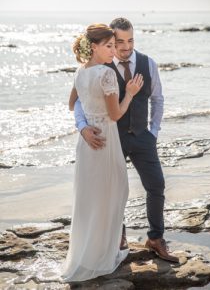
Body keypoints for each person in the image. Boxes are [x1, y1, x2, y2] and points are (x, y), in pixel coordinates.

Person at [74, 18, 179, 263]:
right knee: (113, 191)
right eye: (119, 42)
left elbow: (158, 99)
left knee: (157, 185)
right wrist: (82, 127)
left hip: (143, 137)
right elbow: (80, 100)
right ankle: (117, 238)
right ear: (110, 41)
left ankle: (155, 238)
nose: (125, 47)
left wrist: (153, 131)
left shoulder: (148, 64)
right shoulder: (102, 65)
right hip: (112, 139)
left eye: (130, 40)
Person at [61, 23, 144, 282]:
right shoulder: (106, 74)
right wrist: (129, 93)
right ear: (94, 47)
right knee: (115, 192)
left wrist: (85, 126)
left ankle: (86, 255)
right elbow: (116, 114)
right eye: (109, 46)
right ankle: (103, 256)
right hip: (105, 141)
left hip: (87, 145)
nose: (114, 50)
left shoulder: (80, 72)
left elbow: (71, 103)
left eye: (114, 45)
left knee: (90, 199)